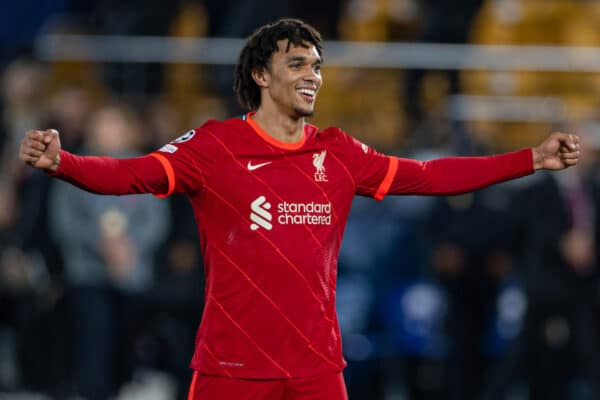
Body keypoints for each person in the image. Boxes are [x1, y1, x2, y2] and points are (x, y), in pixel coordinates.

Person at [19, 18, 580, 400]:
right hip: (231, 369)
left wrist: (529, 159)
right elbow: (133, 174)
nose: (313, 75)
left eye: (317, 65)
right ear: (261, 76)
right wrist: (63, 162)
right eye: (297, 64)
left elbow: (430, 175)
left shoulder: (338, 152)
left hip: (316, 370)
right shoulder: (214, 147)